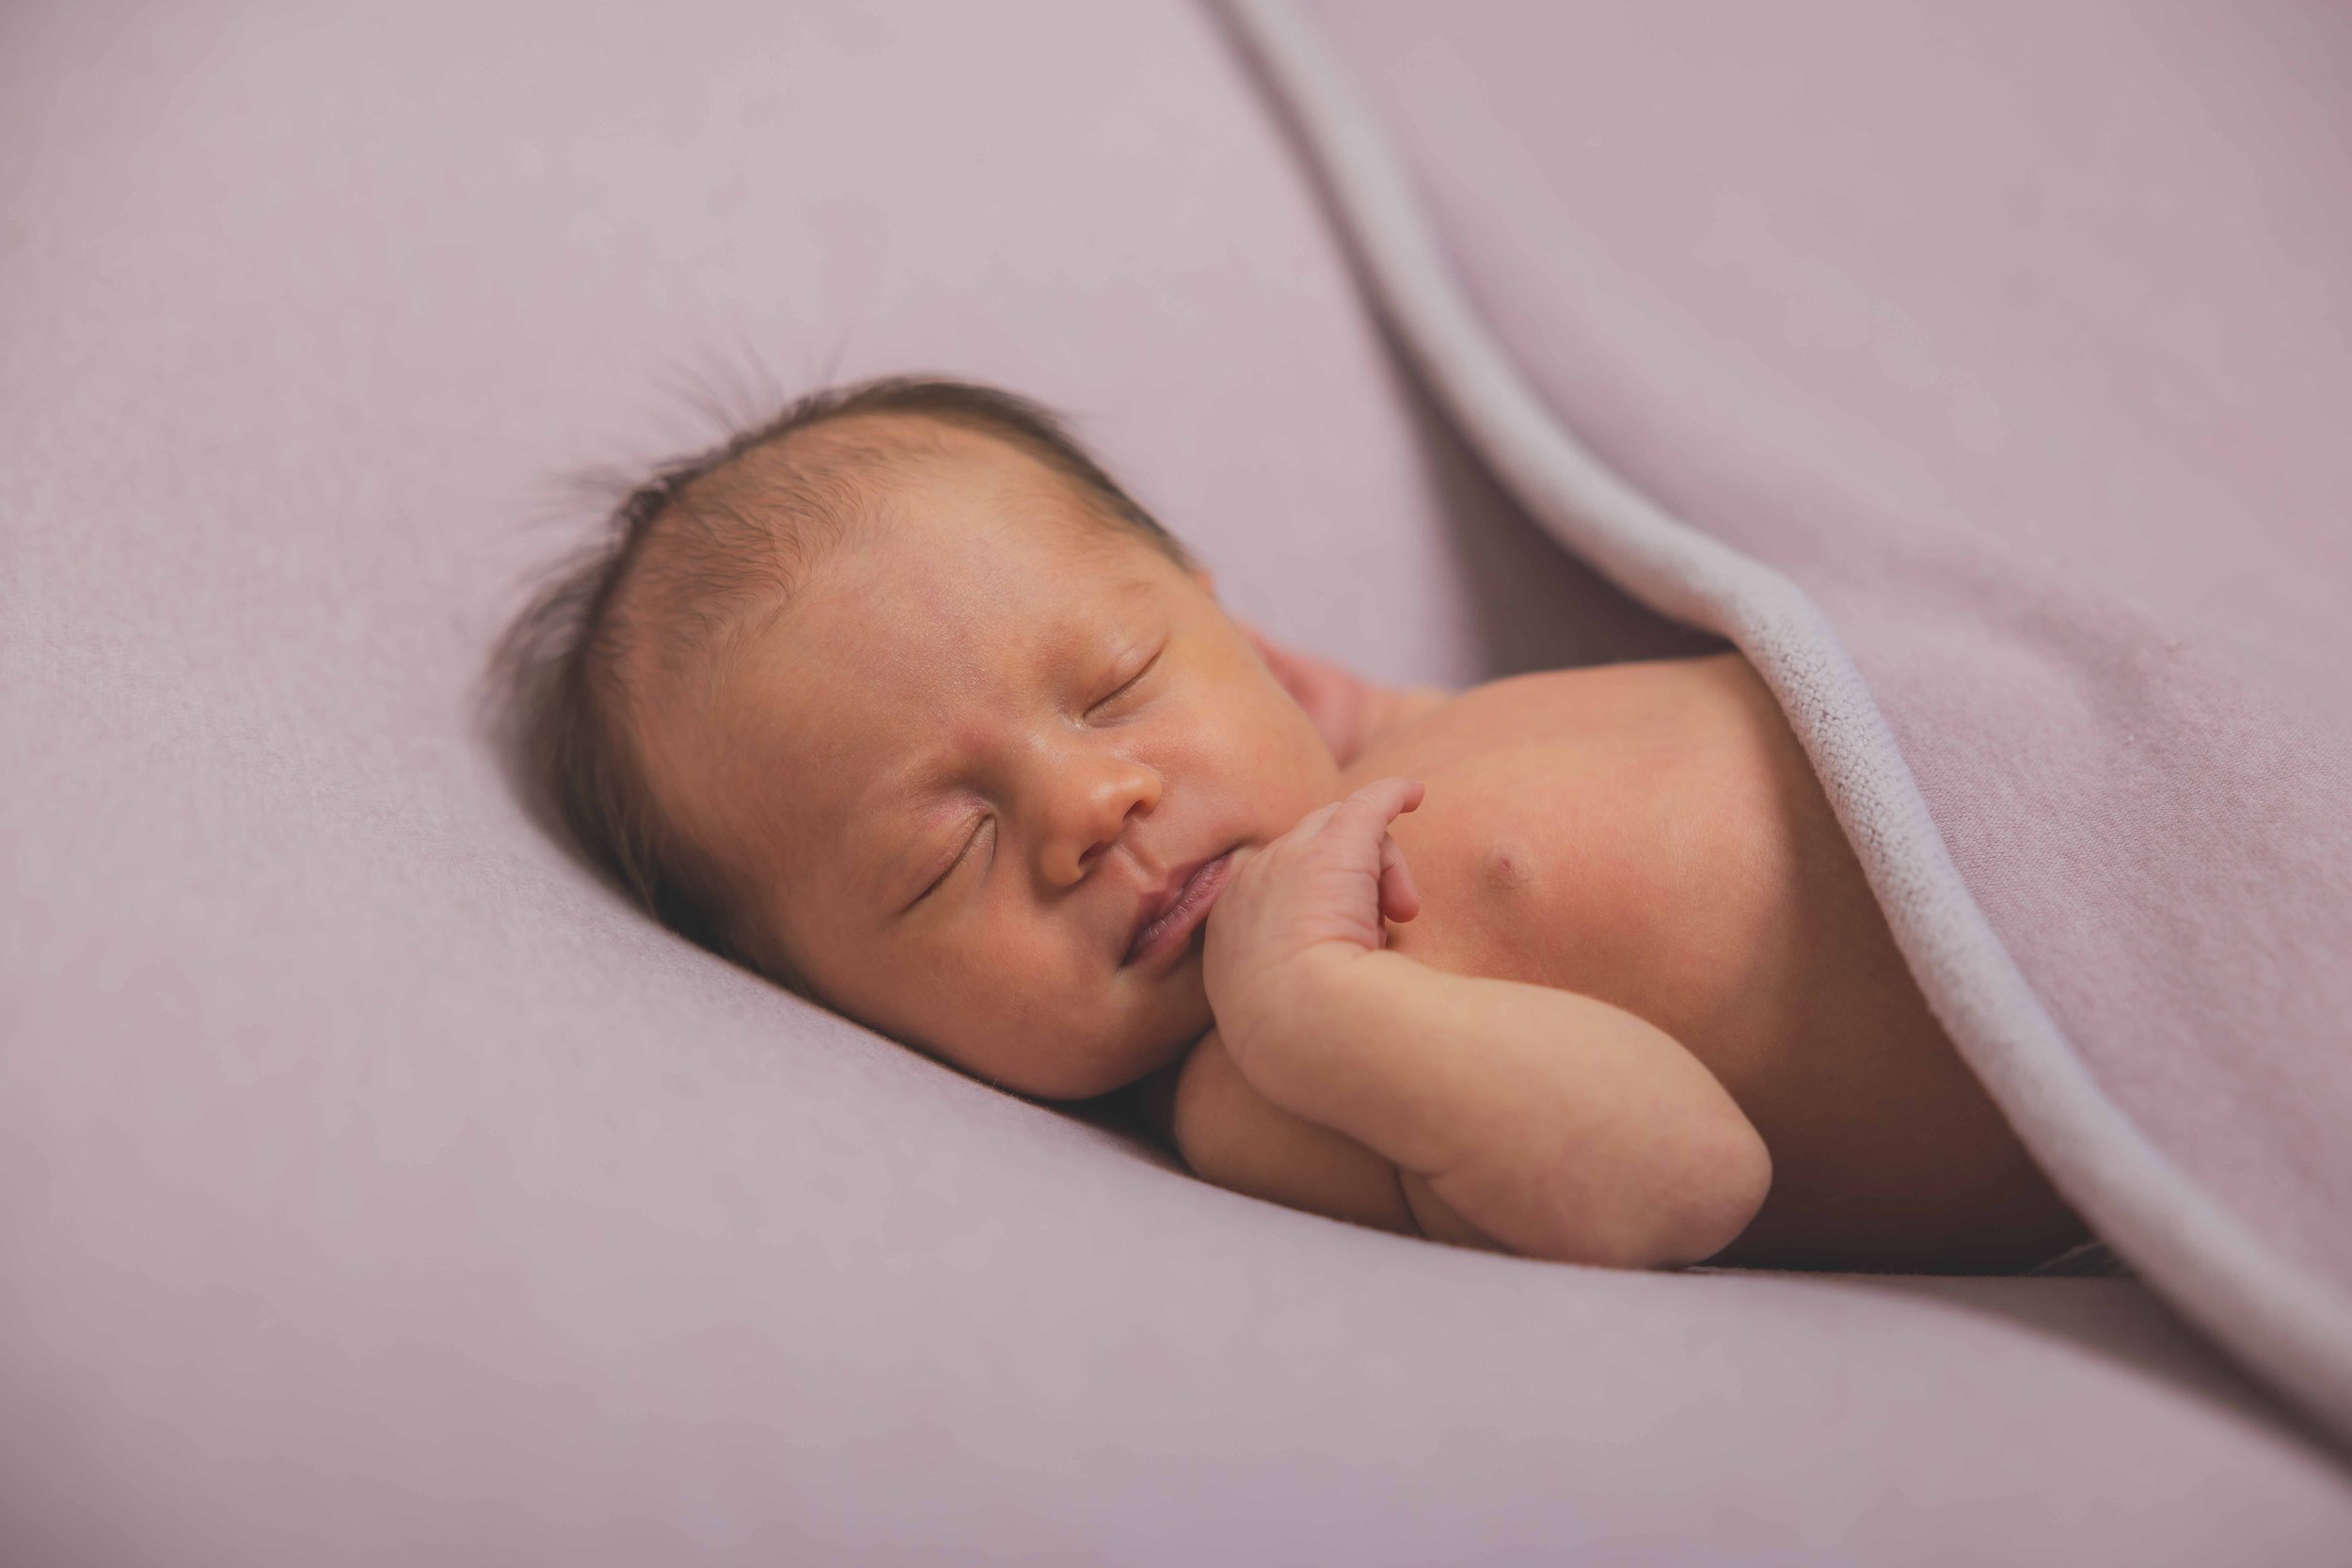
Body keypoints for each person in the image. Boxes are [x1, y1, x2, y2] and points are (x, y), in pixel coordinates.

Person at [493, 376, 2090, 1271]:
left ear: (1228, 628)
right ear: (846, 1012)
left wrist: (1334, 723)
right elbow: (1683, 1177)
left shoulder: (1376, 731)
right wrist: (1318, 1004)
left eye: (1115, 684)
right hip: (2120, 1020)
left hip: (2072, 771)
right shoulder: (1266, 1095)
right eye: (946, 855)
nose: (1089, 807)